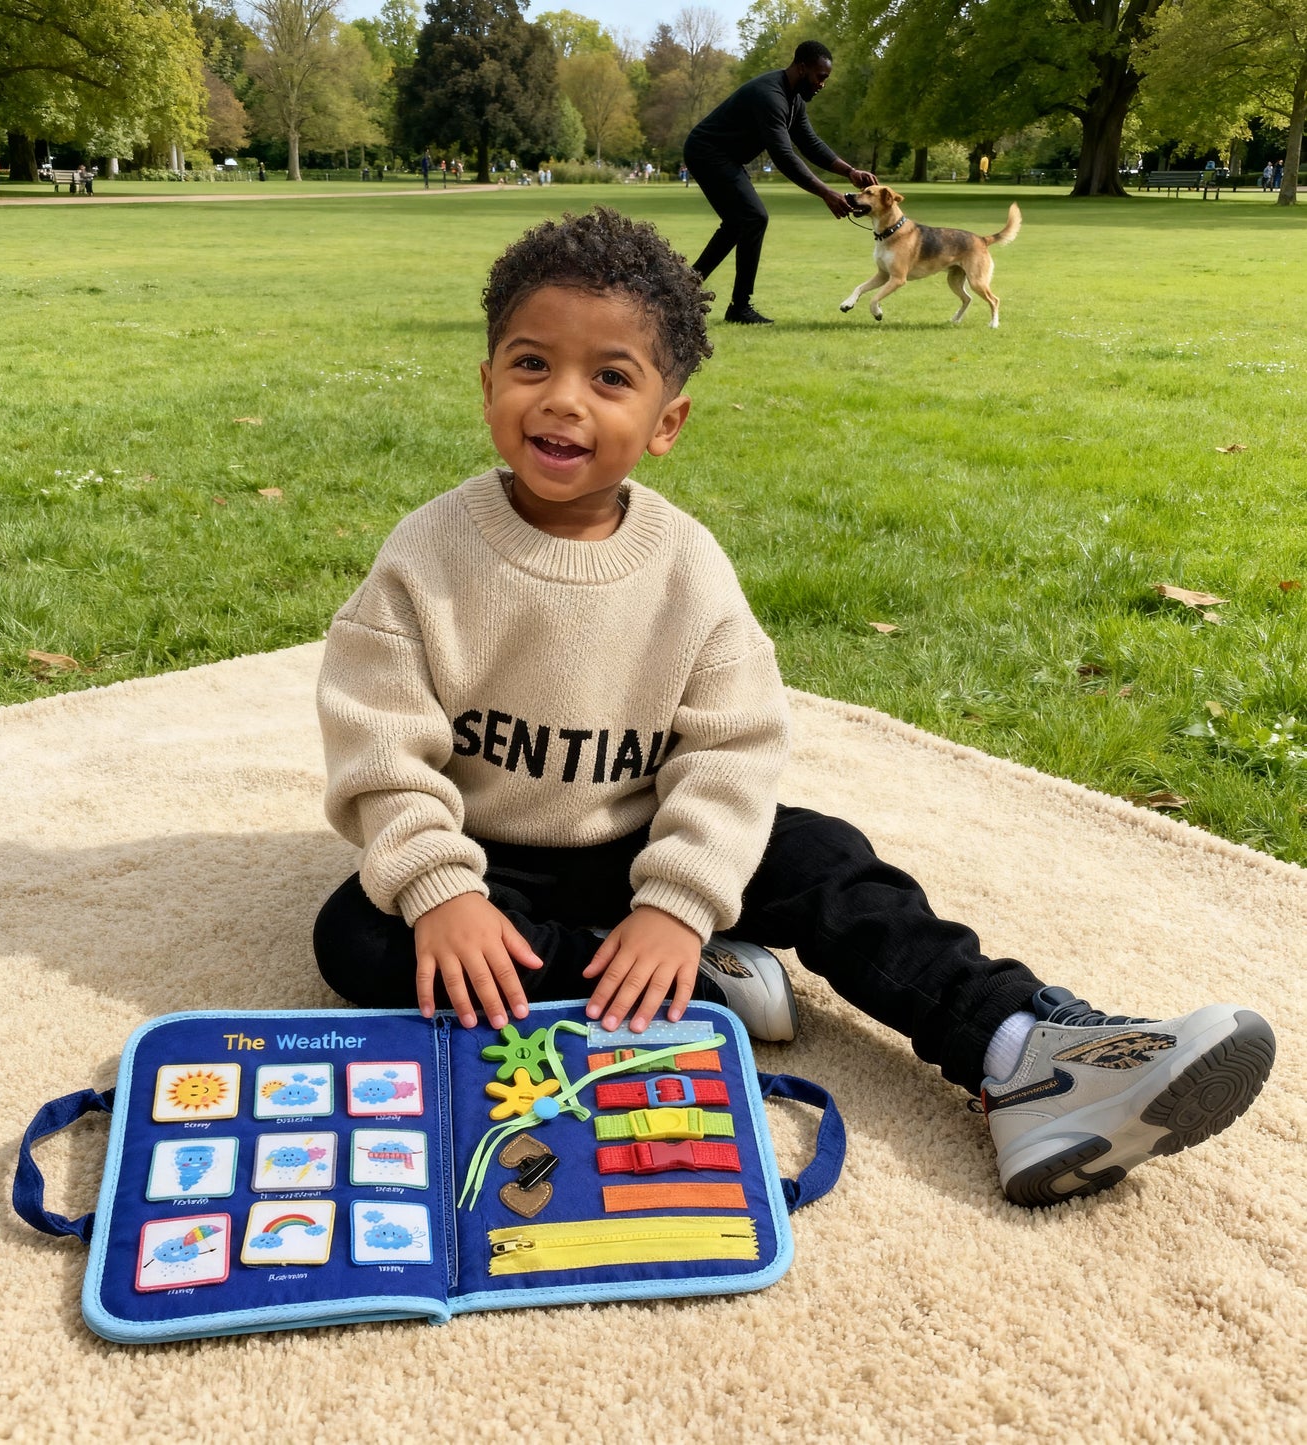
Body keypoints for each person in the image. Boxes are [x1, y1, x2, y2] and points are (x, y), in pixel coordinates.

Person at [312, 205, 1276, 1209]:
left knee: (825, 856)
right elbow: (379, 743)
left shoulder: (686, 568)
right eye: (529, 365)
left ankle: (1021, 1048)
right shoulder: (426, 555)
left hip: (647, 838)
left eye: (609, 377)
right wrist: (439, 889)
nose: (562, 402)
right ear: (484, 384)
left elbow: (730, 747)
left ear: (664, 422)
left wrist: (679, 897)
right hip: (490, 853)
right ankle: (677, 980)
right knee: (359, 935)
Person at [683, 40, 877, 324]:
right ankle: (738, 306)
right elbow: (784, 156)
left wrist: (849, 171)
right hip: (707, 152)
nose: (823, 84)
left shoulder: (794, 98)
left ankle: (686, 289)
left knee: (741, 222)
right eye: (820, 76)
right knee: (753, 218)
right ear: (802, 68)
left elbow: (809, 143)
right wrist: (825, 193)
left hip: (726, 158)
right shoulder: (770, 95)